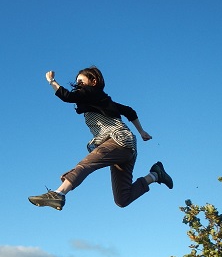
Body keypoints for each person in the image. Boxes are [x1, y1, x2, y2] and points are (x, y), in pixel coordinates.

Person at [28, 66, 172, 211]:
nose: (78, 86)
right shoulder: (101, 100)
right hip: (127, 148)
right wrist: (141, 132)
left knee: (85, 164)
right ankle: (155, 174)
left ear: (93, 81)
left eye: (80, 82)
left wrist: (52, 81)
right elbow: (130, 111)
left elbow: (67, 96)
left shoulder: (91, 93)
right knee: (122, 199)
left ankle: (58, 193)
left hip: (118, 140)